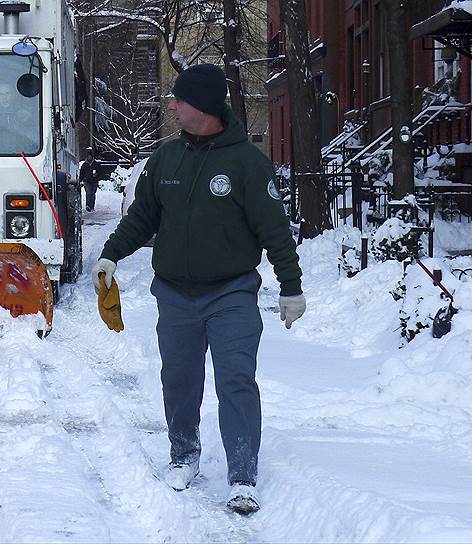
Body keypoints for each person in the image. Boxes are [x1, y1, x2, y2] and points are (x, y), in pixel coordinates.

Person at [91, 64, 306, 515]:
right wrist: (111, 255)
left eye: (179, 100)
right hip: (175, 294)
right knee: (179, 380)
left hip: (232, 293)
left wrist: (291, 285)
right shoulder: (165, 159)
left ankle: (242, 475)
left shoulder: (247, 164)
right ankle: (184, 455)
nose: (172, 106)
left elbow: (274, 229)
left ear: (203, 106)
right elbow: (141, 217)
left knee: (236, 380)